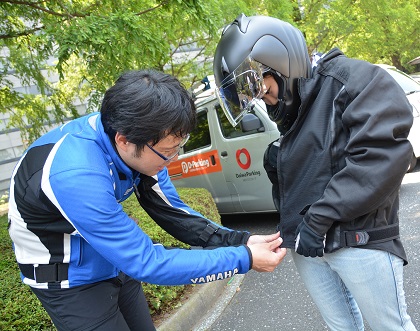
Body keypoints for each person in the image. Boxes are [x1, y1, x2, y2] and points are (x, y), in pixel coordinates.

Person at [7, 69, 287, 331]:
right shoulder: (77, 174)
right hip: (68, 279)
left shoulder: (142, 138)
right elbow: (147, 263)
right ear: (124, 140)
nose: (173, 160)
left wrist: (239, 241)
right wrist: (244, 259)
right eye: (168, 151)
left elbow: (174, 213)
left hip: (112, 257)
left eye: (178, 148)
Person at [213, 13, 417, 331]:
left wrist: (318, 220)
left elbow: (379, 160)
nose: (262, 99)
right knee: (341, 327)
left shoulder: (353, 80)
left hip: (358, 240)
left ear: (280, 61)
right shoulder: (294, 109)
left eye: (261, 87)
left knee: (390, 327)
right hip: (308, 246)